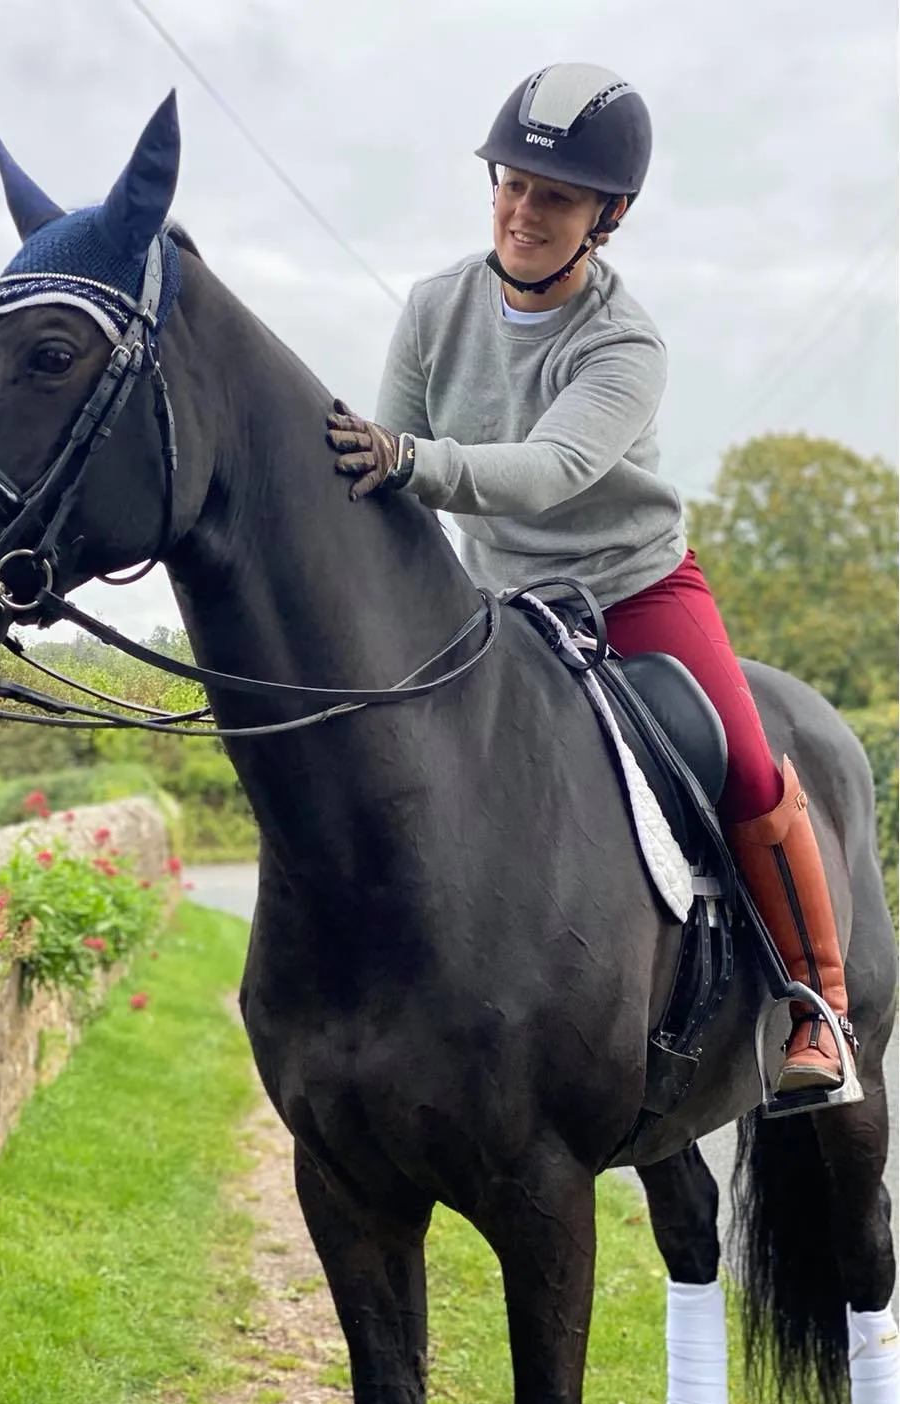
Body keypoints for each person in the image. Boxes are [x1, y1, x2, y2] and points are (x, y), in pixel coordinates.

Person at [325, 61, 856, 1098]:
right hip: (501, 601)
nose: (522, 211)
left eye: (554, 196)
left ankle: (814, 1004)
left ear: (606, 216)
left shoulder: (626, 340)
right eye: (510, 183)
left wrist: (407, 457)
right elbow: (388, 471)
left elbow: (545, 472)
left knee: (746, 764)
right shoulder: (437, 306)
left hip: (632, 588)